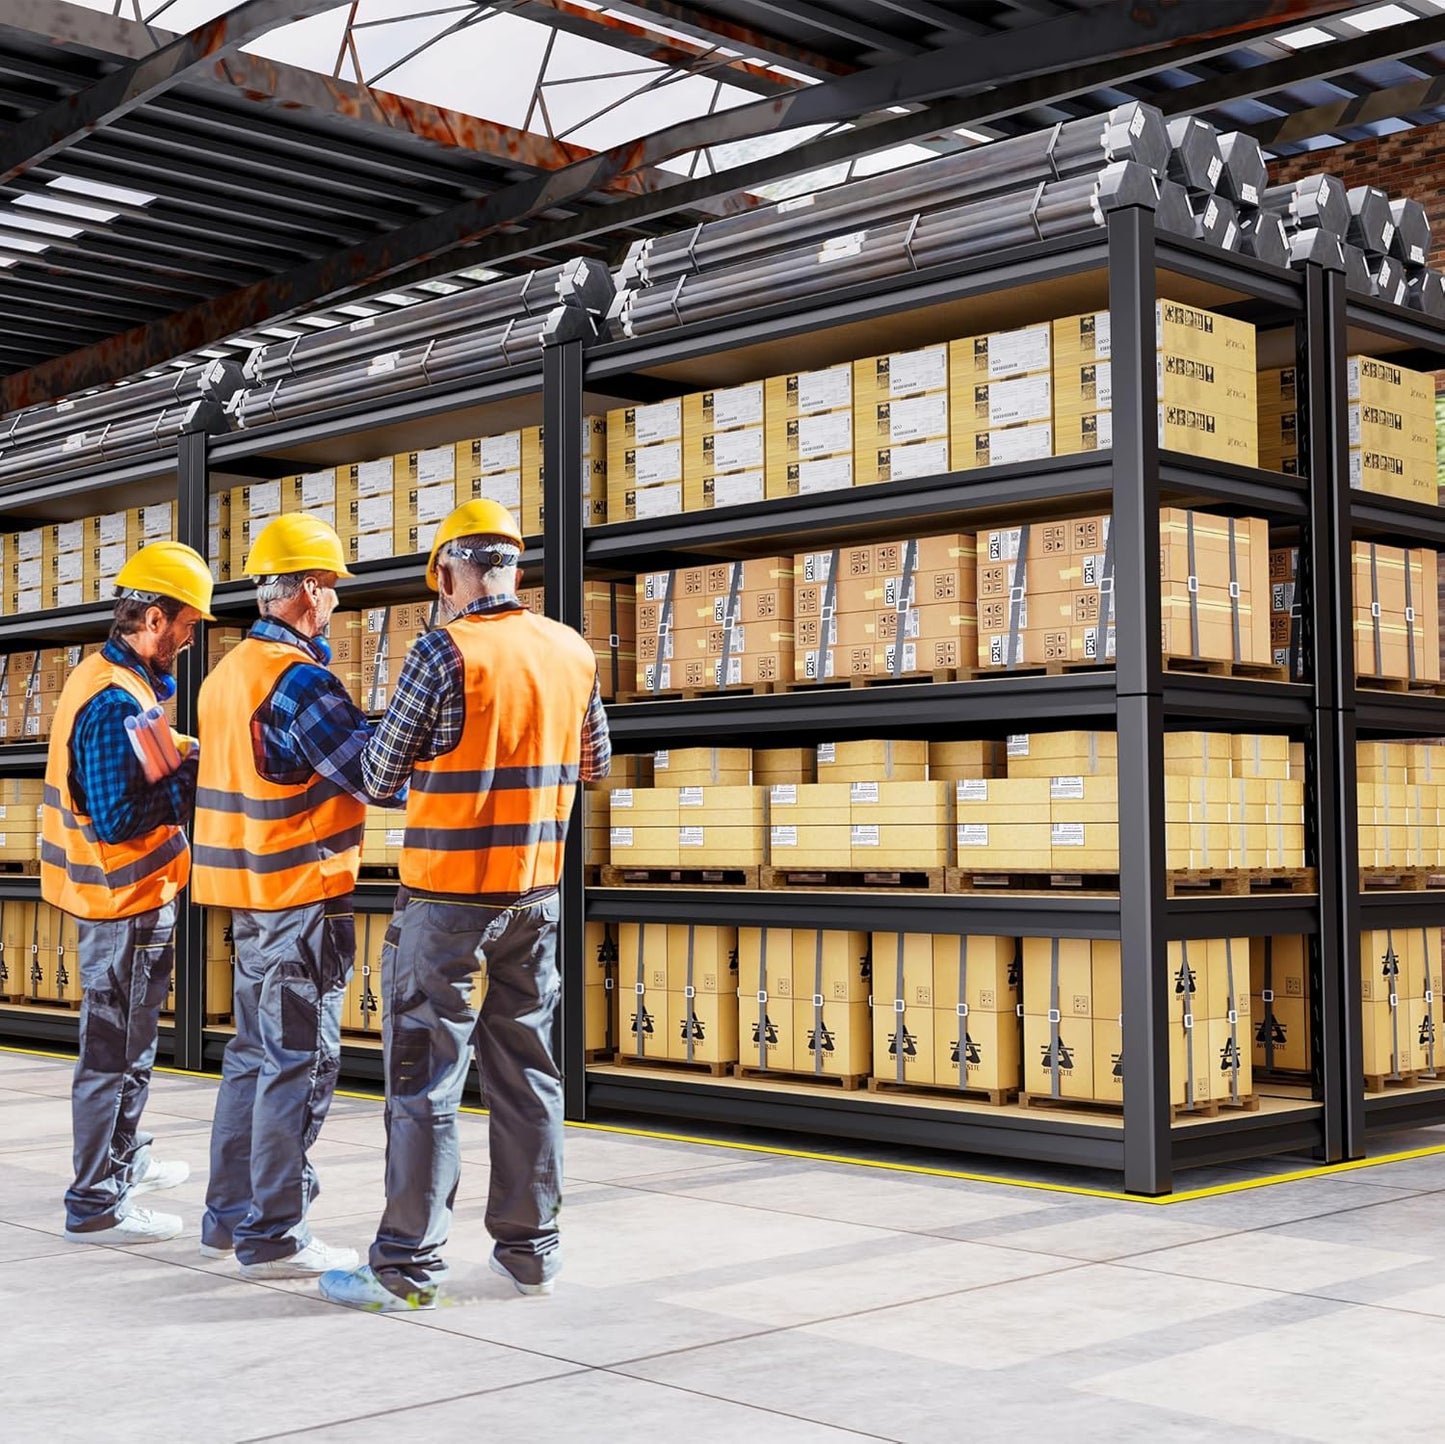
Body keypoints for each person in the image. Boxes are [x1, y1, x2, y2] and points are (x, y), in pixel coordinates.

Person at [318, 498, 610, 1312]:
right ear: (513, 567)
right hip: (536, 897)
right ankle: (532, 1252)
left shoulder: (441, 652)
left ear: (449, 573)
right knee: (529, 1075)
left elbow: (377, 779)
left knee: (425, 1081)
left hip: (447, 901)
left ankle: (406, 1266)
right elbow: (593, 763)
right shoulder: (570, 649)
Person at [192, 515, 399, 1280]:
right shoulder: (300, 680)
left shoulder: (225, 675)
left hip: (250, 898)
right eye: (333, 589)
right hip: (302, 896)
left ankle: (228, 1216)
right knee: (298, 1062)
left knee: (250, 1058)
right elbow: (376, 775)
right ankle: (275, 1231)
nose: (337, 605)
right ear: (309, 590)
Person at [44, 541, 213, 1245]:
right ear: (150, 617)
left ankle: (122, 1160)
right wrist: (190, 776)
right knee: (115, 1053)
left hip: (130, 900)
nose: (191, 633)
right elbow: (117, 817)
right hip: (125, 902)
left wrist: (174, 752)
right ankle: (96, 1201)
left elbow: (137, 761)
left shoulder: (123, 679)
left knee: (128, 1047)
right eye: (185, 622)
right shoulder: (114, 700)